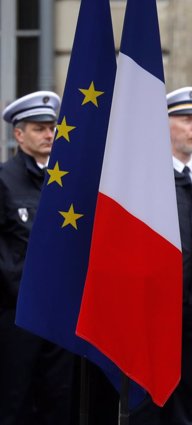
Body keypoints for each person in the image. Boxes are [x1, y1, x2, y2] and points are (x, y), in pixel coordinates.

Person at [135, 86, 192, 425]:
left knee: (190, 394)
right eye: (186, 119)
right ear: (165, 126)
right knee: (150, 396)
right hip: (158, 305)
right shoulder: (150, 175)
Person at [0, 91, 76, 425]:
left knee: (59, 399)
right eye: (39, 128)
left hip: (60, 312)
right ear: (19, 134)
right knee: (15, 399)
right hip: (17, 313)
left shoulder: (68, 180)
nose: (49, 134)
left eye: (52, 127)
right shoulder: (5, 180)